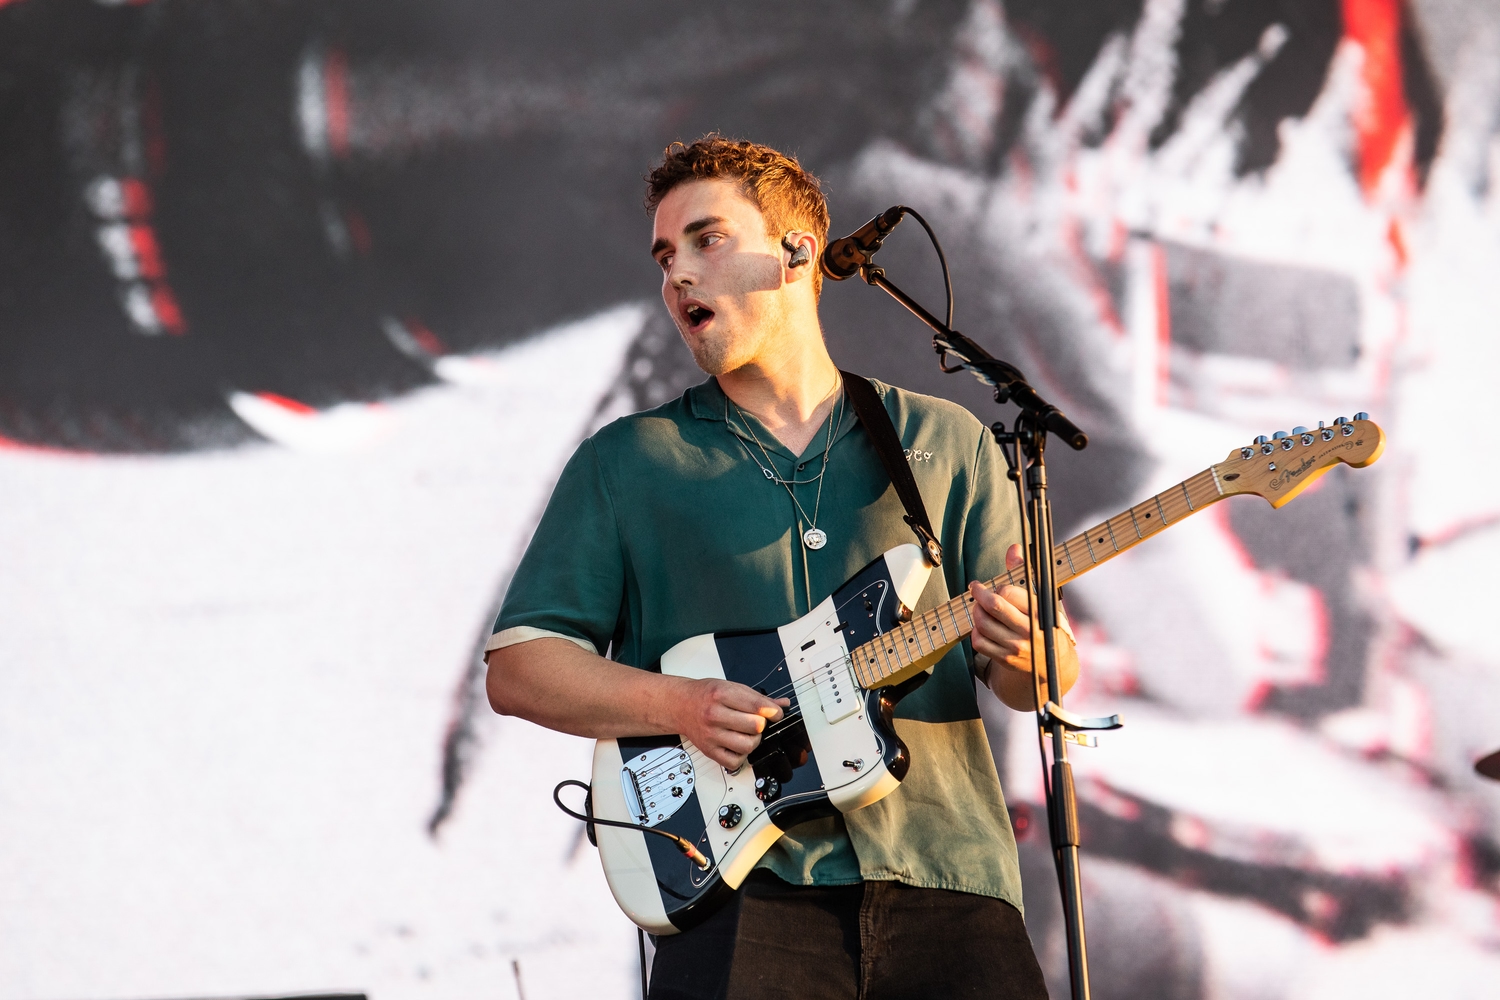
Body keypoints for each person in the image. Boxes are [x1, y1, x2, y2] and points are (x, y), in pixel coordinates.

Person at [485, 136, 1078, 999]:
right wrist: (680, 704)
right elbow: (520, 668)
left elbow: (1030, 680)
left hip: (950, 883)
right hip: (744, 900)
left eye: (707, 240)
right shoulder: (630, 462)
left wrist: (1035, 656)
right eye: (664, 256)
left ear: (799, 251)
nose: (677, 275)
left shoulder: (945, 441)